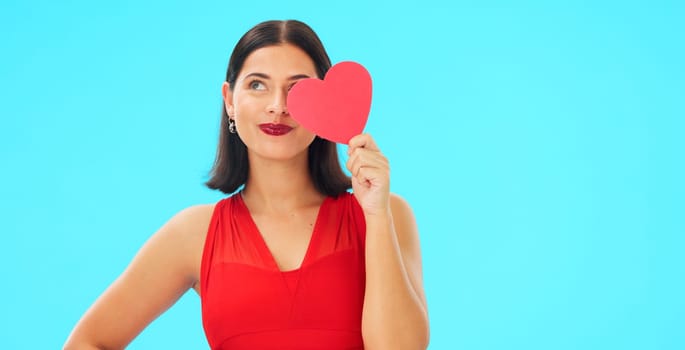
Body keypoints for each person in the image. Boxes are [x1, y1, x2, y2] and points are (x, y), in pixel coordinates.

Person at [64, 19, 429, 350]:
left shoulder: (386, 214)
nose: (277, 106)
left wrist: (376, 214)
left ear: (324, 104)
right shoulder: (194, 233)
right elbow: (88, 342)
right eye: (257, 85)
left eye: (297, 88)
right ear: (230, 100)